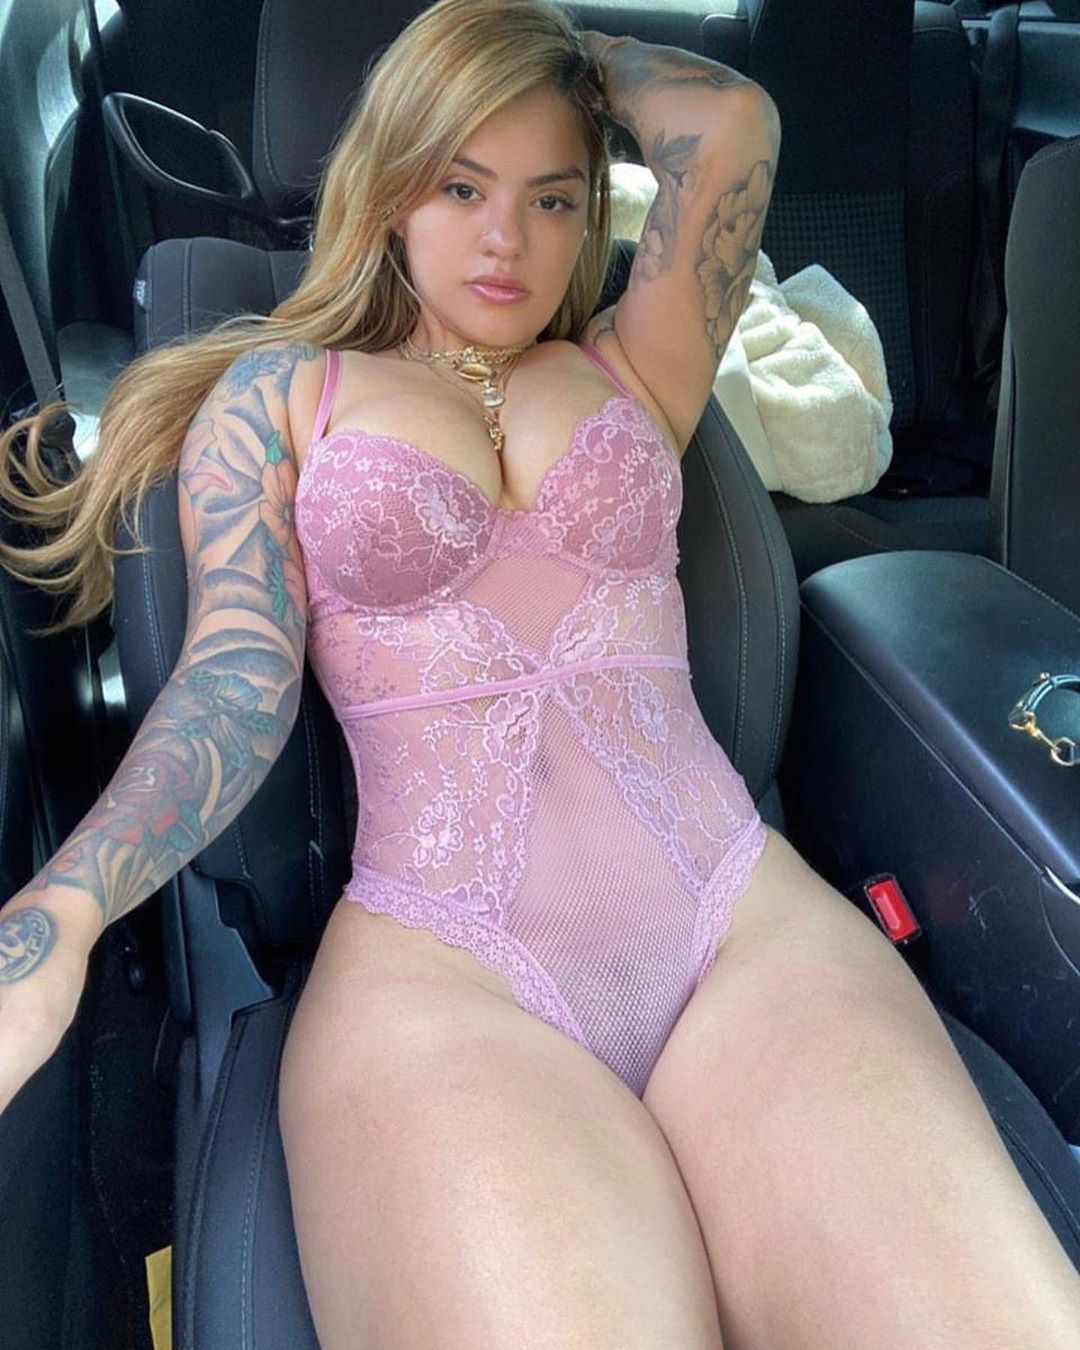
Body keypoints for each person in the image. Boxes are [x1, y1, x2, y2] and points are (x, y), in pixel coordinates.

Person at [0, 0, 1078, 1345]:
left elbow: (730, 121)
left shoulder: (637, 363)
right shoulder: (278, 398)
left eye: (552, 196)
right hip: (450, 977)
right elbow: (233, 682)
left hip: (738, 928)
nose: (505, 238)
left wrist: (563, 56)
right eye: (460, 185)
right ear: (388, 185)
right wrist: (63, 914)